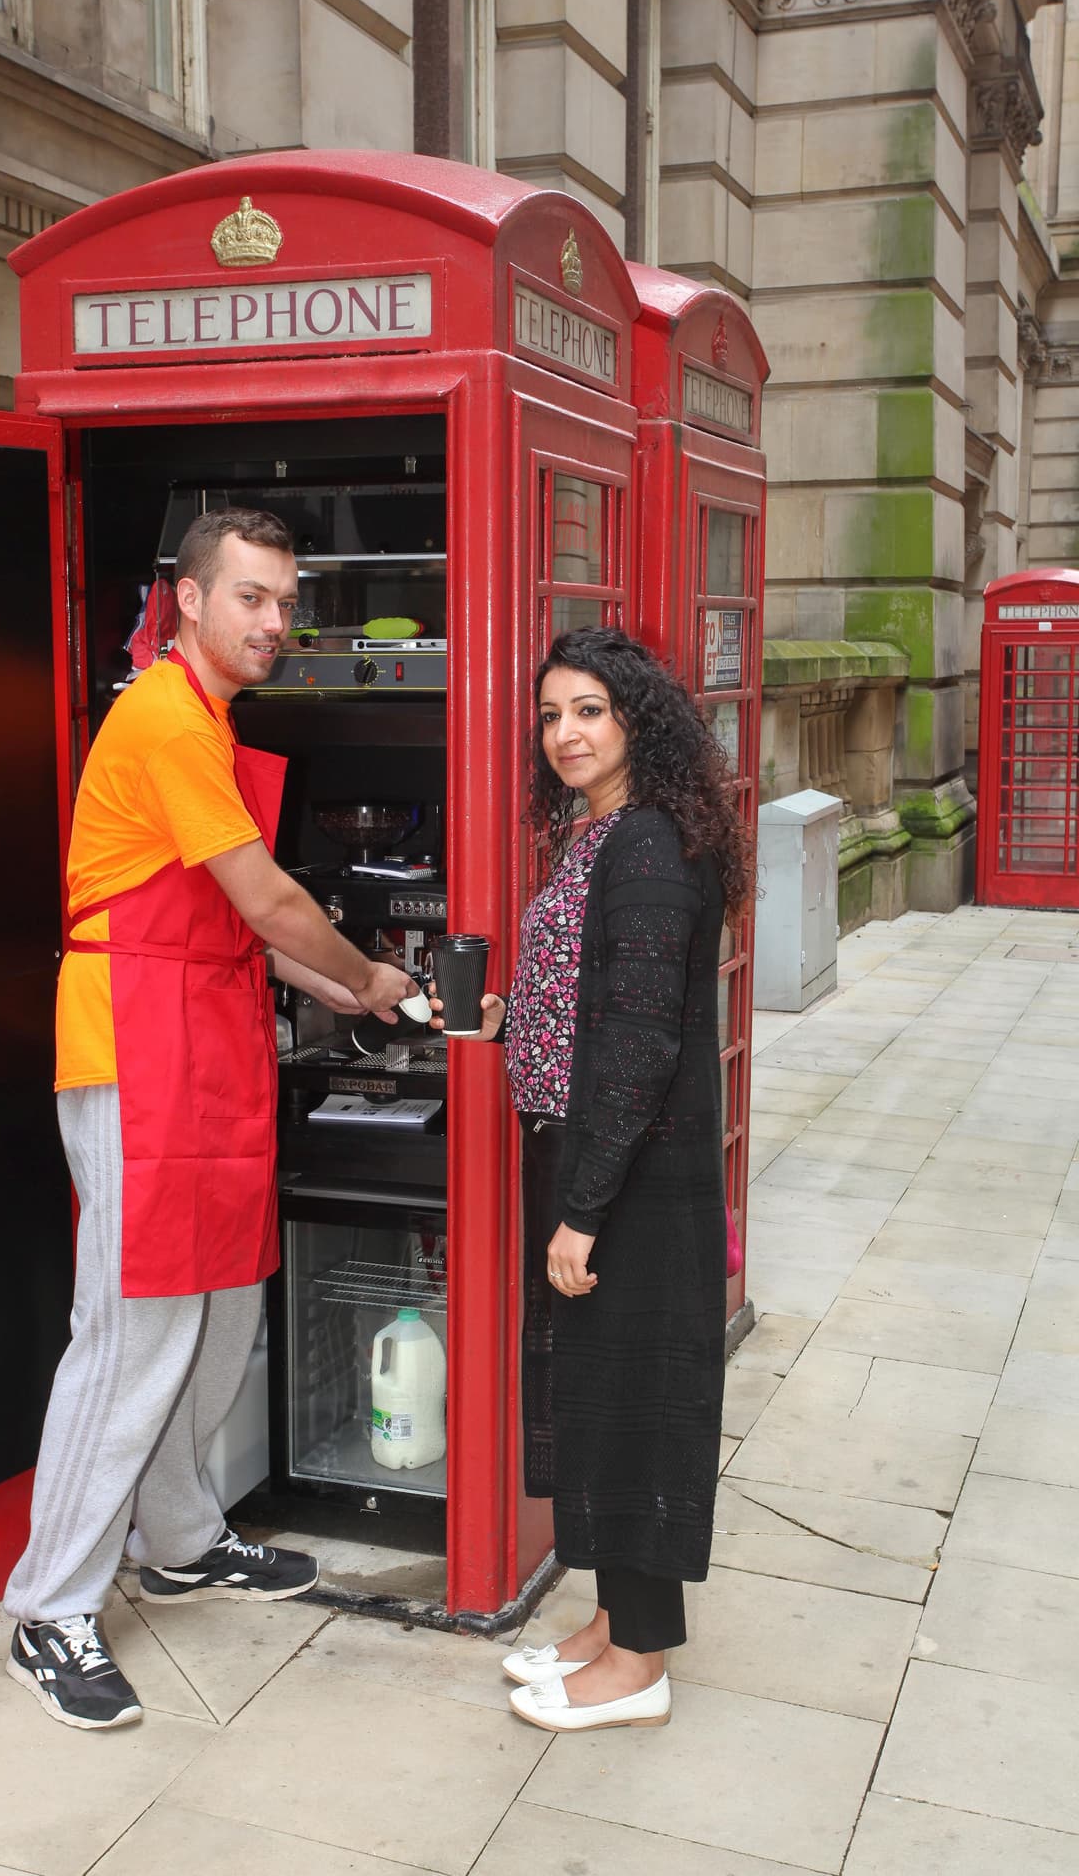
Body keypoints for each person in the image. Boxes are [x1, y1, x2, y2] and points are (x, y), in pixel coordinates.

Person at [4, 508, 416, 1730]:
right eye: (249, 596)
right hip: (137, 1045)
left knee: (221, 1301)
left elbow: (244, 931)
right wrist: (363, 971)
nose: (273, 622)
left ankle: (177, 1536)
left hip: (202, 1036)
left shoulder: (205, 720)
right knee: (131, 1330)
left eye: (285, 600)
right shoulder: (162, 716)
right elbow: (272, 901)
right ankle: (48, 1607)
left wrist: (359, 986)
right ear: (185, 598)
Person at [434, 626, 753, 1734]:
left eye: (589, 712)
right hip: (595, 1150)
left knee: (635, 1406)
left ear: (637, 720)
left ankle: (641, 1660)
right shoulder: (610, 830)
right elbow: (593, 997)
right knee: (602, 1397)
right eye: (551, 713)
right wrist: (503, 1017)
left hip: (630, 1174)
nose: (563, 733)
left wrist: (582, 1208)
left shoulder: (649, 844)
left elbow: (638, 1040)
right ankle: (610, 1626)